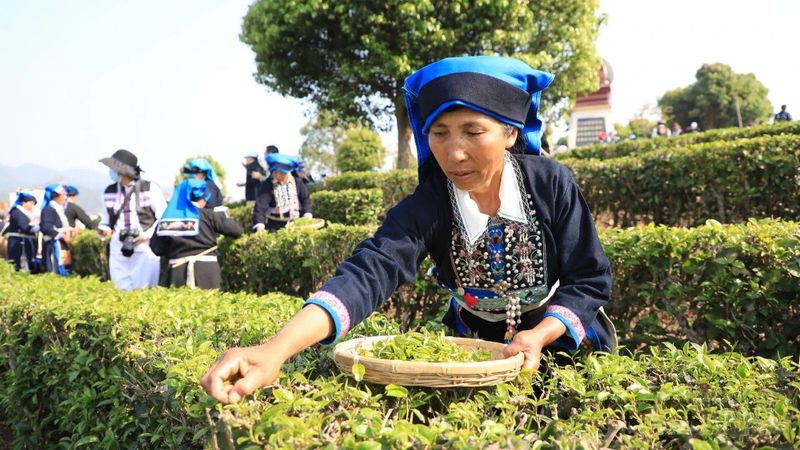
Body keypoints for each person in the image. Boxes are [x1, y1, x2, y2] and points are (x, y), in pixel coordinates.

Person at [202, 55, 617, 404]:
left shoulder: (550, 183)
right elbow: (371, 270)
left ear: (510, 132)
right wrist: (275, 350)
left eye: (474, 131)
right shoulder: (430, 203)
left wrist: (540, 334)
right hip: (472, 352)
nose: (454, 153)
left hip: (561, 342)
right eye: (439, 133)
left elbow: (589, 277)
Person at [149, 179, 243, 289]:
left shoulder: (166, 220)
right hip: (207, 272)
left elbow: (156, 248)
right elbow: (237, 230)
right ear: (203, 199)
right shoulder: (209, 216)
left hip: (177, 272)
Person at [98, 149, 167, 291]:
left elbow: (163, 218)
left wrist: (146, 236)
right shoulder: (108, 191)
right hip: (119, 249)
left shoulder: (150, 189)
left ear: (124, 171)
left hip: (145, 249)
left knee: (144, 292)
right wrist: (103, 230)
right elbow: (105, 220)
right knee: (121, 293)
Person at [251, 153, 313, 232]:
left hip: (297, 223)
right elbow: (260, 207)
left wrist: (307, 215)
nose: (277, 175)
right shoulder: (268, 185)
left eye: (281, 173)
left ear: (287, 172)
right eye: (275, 172)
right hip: (275, 226)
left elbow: (306, 200)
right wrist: (259, 226)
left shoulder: (297, 182)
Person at [40, 184, 72, 275]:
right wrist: (62, 235)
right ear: (57, 196)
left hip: (60, 243)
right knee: (54, 270)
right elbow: (46, 227)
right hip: (53, 245)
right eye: (64, 195)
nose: (65, 198)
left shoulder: (58, 210)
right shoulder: (48, 210)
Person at [4, 192, 39, 272]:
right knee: (18, 261)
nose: (32, 206)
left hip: (23, 241)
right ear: (24, 203)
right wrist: (34, 228)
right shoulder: (17, 212)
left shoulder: (23, 213)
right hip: (19, 242)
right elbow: (24, 227)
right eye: (31, 203)